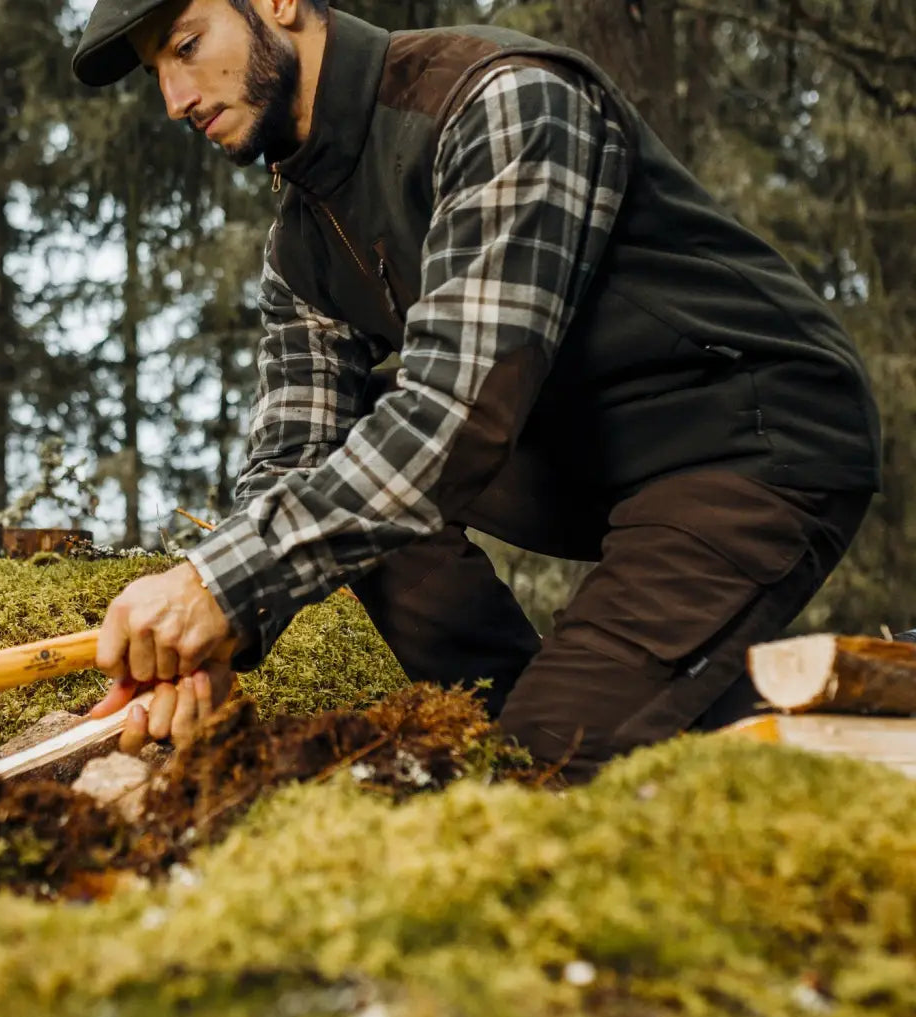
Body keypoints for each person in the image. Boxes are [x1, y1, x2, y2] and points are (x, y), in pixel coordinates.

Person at [73, 0, 880, 780]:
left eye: (185, 46)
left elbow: (454, 415)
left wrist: (219, 583)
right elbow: (293, 459)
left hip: (750, 437)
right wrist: (213, 633)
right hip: (588, 451)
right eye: (156, 74)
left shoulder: (500, 100)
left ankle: (570, 741)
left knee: (549, 761)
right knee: (355, 491)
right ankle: (503, 719)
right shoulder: (301, 246)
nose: (174, 100)